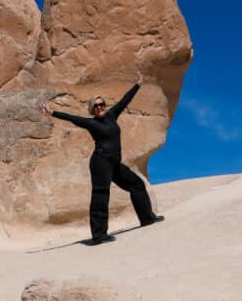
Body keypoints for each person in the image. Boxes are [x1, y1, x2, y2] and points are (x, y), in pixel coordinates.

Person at [42, 82, 163, 245]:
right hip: (100, 162)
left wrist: (136, 86)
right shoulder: (92, 123)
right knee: (101, 195)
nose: (99, 107)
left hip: (114, 163)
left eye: (101, 104)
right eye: (96, 106)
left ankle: (147, 218)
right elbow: (73, 118)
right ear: (92, 109)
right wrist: (52, 113)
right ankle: (99, 235)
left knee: (136, 184)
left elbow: (125, 101)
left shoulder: (113, 115)